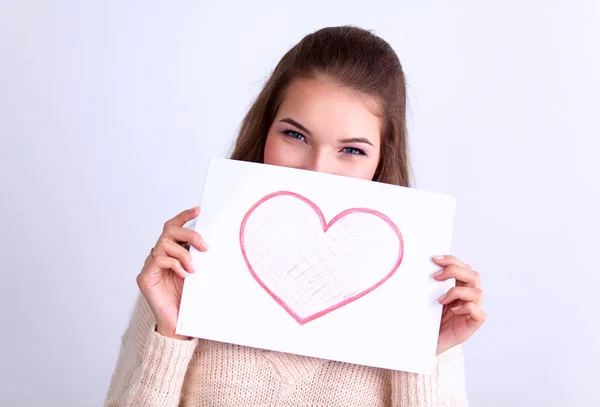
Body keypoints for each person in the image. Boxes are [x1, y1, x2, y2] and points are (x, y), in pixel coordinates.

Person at [105, 25, 486, 407]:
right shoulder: (187, 271)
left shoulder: (417, 303)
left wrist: (419, 359)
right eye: (296, 136)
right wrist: (171, 332)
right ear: (266, 129)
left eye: (351, 151)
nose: (316, 170)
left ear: (381, 160)